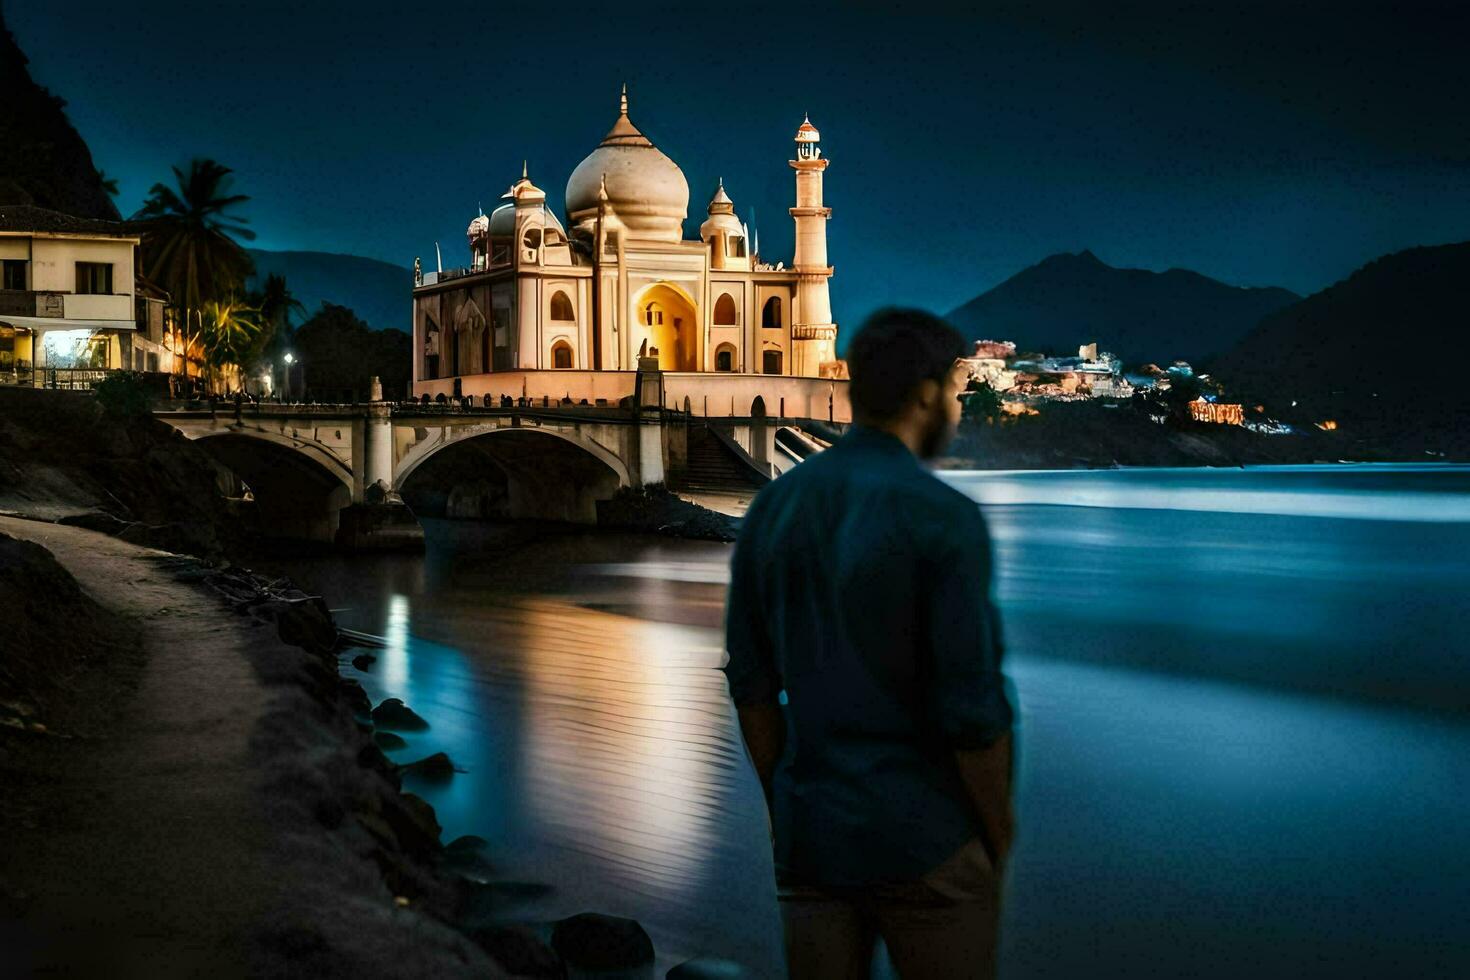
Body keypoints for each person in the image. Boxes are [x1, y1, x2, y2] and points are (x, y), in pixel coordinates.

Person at [724, 308, 1016, 979]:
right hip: (927, 841)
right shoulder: (943, 517)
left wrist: (787, 809)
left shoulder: (773, 508)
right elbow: (973, 713)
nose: (958, 409)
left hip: (814, 842)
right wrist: (997, 838)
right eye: (956, 392)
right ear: (926, 393)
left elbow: (753, 686)